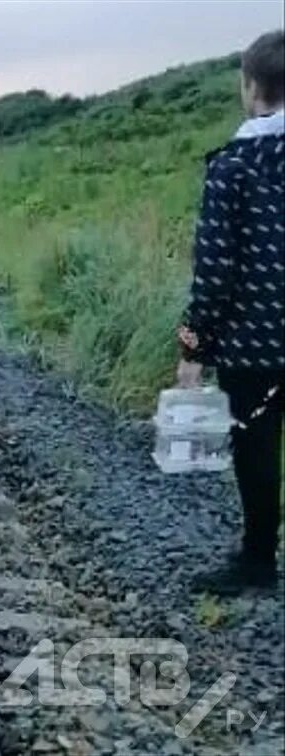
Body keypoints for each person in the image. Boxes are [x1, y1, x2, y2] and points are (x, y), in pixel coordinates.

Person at [177, 28, 284, 594]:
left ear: (250, 87)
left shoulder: (234, 165)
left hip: (256, 342)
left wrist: (194, 346)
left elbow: (214, 270)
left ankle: (259, 563)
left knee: (258, 443)